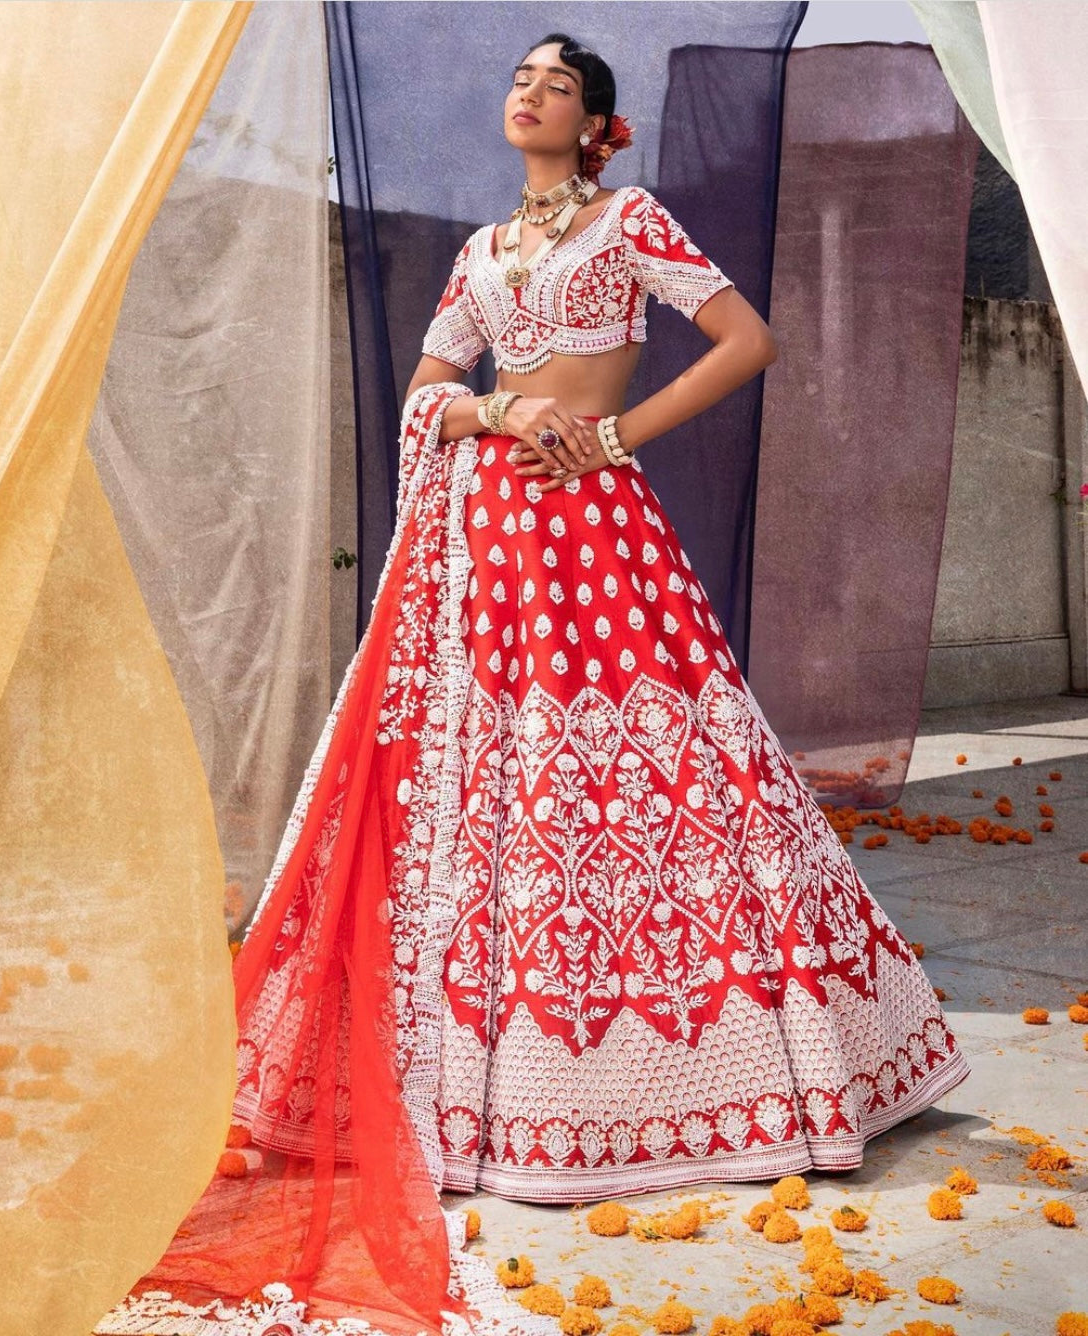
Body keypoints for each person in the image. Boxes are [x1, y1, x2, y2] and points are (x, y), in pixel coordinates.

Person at [96, 31, 970, 1336]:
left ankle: (667, 1081)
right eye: (520, 78)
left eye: (557, 83)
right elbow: (427, 391)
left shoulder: (628, 221)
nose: (529, 93)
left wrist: (611, 435)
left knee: (647, 784)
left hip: (596, 537)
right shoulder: (477, 257)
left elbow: (746, 340)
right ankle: (460, 1086)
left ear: (596, 123)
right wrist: (494, 415)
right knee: (485, 797)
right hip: (479, 547)